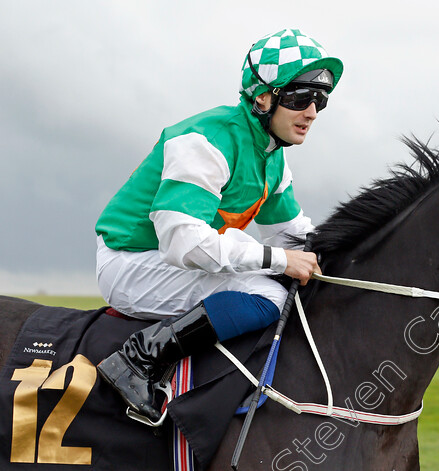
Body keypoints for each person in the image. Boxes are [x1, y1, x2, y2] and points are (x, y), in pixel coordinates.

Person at [94, 29, 342, 424]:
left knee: (286, 282)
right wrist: (280, 261)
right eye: (300, 97)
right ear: (263, 97)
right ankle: (140, 356)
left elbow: (293, 235)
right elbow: (183, 243)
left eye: (320, 99)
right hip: (134, 262)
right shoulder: (206, 140)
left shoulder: (271, 156)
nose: (312, 111)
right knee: (269, 295)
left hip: (172, 261)